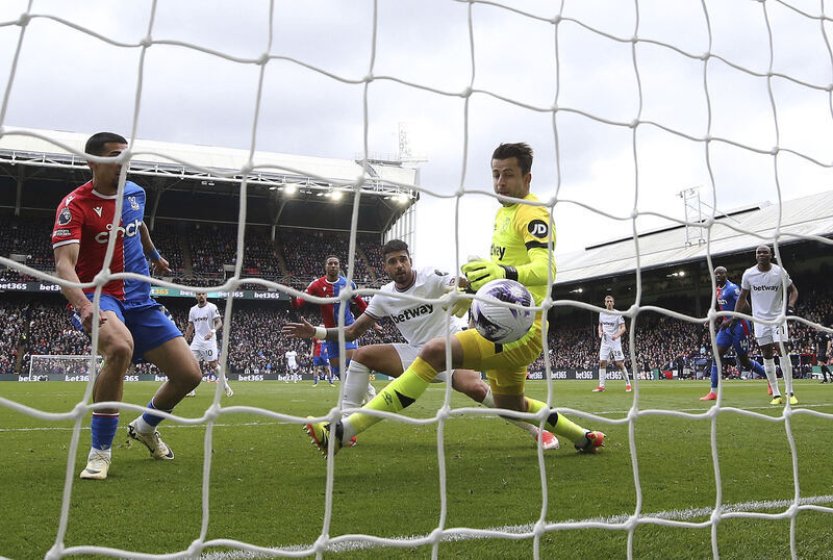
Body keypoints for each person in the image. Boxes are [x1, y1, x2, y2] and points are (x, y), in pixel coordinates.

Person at [300, 143, 604, 457]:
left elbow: (546, 269)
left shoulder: (532, 213)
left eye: (509, 175)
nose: (500, 182)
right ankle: (583, 437)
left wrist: (498, 271)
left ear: (527, 179)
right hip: (503, 326)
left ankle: (342, 431)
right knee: (510, 406)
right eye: (496, 174)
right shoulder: (504, 213)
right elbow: (354, 332)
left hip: (523, 328)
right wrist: (474, 290)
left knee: (435, 351)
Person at [283, 239, 559, 450]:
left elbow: (454, 281)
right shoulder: (383, 296)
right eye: (392, 262)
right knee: (362, 355)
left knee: (476, 389)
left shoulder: (429, 275)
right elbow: (354, 330)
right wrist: (317, 332)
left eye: (403, 259)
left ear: (410, 260)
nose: (399, 266)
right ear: (385, 267)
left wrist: (458, 286)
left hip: (451, 348)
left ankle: (538, 431)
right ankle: (343, 427)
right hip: (418, 354)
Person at [52, 132, 201, 480]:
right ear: (94, 162)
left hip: (140, 298)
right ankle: (100, 451)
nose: (124, 162)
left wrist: (155, 255)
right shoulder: (74, 206)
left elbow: (139, 225)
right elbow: (63, 266)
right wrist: (83, 305)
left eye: (127, 155)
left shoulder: (136, 193)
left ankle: (146, 426)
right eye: (116, 156)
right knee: (119, 348)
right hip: (101, 297)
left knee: (189, 375)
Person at [292, 255, 374, 397]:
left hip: (348, 329)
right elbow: (299, 304)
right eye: (330, 263)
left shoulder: (348, 284)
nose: (333, 266)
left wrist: (374, 323)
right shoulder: (316, 285)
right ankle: (357, 393)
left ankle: (368, 391)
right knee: (337, 370)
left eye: (336, 263)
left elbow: (361, 304)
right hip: (329, 333)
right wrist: (292, 297)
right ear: (326, 266)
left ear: (339, 266)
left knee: (351, 362)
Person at [735, 245, 799, 405]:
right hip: (760, 321)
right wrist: (735, 315)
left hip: (778, 318)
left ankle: (790, 392)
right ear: (756, 256)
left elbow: (793, 291)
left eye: (765, 252)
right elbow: (742, 297)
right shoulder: (749, 274)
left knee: (782, 349)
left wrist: (790, 306)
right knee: (767, 354)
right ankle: (776, 395)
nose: (762, 254)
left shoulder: (779, 272)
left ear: (771, 255)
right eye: (759, 252)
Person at [700, 266, 767, 401]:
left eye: (720, 273)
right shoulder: (718, 290)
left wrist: (731, 320)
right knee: (716, 356)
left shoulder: (733, 289)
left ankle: (770, 379)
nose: (718, 276)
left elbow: (747, 308)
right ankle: (713, 392)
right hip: (726, 328)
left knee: (745, 362)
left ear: (726, 274)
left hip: (740, 326)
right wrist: (713, 318)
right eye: (715, 274)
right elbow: (723, 308)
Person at [183, 291, 233, 397]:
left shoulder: (212, 307)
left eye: (203, 294)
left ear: (206, 295)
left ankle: (225, 386)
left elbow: (219, 322)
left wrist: (212, 331)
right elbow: (190, 327)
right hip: (197, 341)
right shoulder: (193, 310)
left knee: (213, 365)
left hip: (209, 341)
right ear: (196, 296)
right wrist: (184, 340)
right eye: (198, 294)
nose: (201, 295)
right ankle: (191, 390)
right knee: (189, 364)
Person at [593, 295, 632, 393]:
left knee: (619, 364)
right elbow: (600, 325)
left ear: (613, 303)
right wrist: (600, 332)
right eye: (607, 301)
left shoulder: (618, 314)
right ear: (605, 303)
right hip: (605, 342)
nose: (609, 303)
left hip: (615, 342)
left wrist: (616, 335)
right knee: (602, 362)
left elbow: (623, 328)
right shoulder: (602, 313)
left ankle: (628, 384)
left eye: (611, 301)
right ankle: (601, 387)